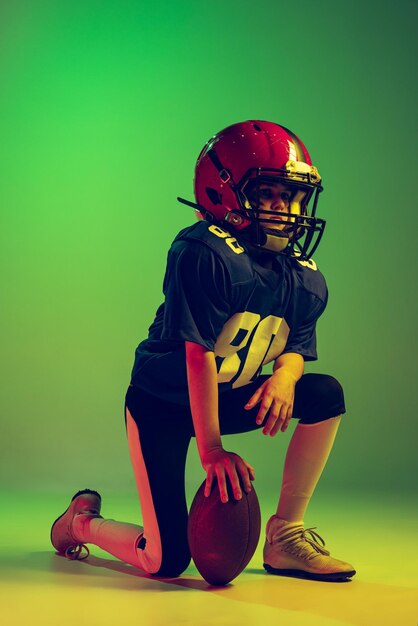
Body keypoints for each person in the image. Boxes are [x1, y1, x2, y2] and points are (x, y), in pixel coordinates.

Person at [51, 120, 356, 582]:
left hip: (225, 393)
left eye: (293, 196)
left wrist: (285, 377)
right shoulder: (204, 252)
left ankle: (286, 535)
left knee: (325, 393)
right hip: (163, 404)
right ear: (225, 193)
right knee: (166, 560)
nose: (287, 208)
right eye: (270, 193)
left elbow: (294, 348)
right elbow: (199, 356)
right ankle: (80, 524)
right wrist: (212, 448)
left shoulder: (304, 276)